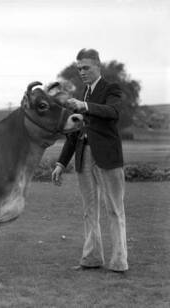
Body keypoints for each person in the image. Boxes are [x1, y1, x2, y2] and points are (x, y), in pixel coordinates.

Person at [52, 48, 128, 272]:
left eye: (86, 67)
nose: (82, 72)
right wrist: (60, 163)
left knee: (115, 209)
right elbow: (74, 132)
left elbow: (113, 112)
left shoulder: (110, 89)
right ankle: (92, 259)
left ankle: (119, 262)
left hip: (107, 157)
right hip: (83, 155)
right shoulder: (83, 94)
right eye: (79, 68)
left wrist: (84, 106)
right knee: (89, 210)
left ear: (98, 66)